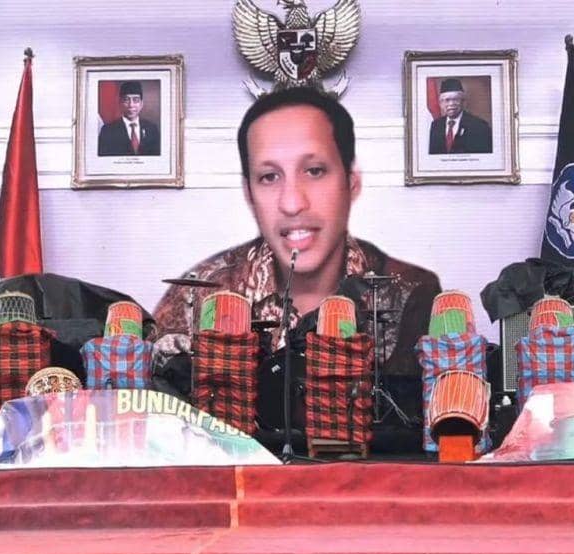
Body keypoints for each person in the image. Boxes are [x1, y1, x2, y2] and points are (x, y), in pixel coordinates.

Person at [153, 87, 441, 384]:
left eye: (314, 171)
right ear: (249, 193)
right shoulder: (201, 291)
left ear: (351, 183)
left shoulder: (412, 291)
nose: (292, 204)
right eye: (269, 177)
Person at [428, 78, 492, 154]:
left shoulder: (479, 126)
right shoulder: (436, 125)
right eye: (447, 100)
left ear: (463, 102)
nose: (451, 104)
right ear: (440, 104)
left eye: (455, 99)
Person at [97, 81, 161, 157]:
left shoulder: (152, 129)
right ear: (120, 103)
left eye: (135, 100)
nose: (131, 105)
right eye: (126, 100)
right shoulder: (108, 131)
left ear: (141, 104)